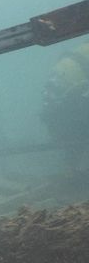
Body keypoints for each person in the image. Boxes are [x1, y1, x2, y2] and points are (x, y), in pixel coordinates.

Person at [40, 41, 89, 175]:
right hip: (69, 94)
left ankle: (72, 170)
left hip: (59, 93)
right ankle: (74, 172)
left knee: (73, 137)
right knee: (77, 135)